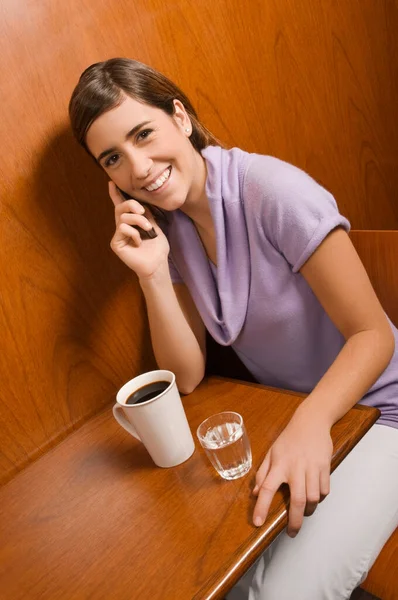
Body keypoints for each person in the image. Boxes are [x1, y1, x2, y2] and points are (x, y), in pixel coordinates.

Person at [69, 58, 398, 599]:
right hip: (302, 416)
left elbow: (375, 336)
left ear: (180, 117)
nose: (139, 167)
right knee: (227, 581)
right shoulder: (168, 229)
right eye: (114, 159)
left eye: (144, 134)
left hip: (381, 410)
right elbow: (187, 375)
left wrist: (309, 421)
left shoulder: (271, 190)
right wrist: (153, 273)